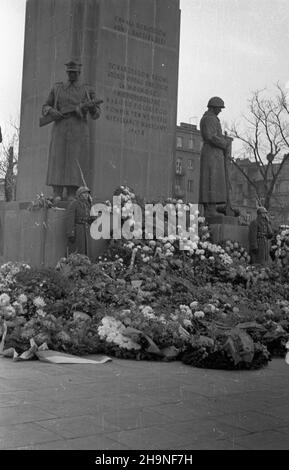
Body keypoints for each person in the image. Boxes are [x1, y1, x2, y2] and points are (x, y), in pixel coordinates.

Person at [42, 60, 101, 201]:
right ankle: (56, 191)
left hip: (78, 130)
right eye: (69, 72)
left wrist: (91, 107)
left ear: (79, 73)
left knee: (74, 161)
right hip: (60, 128)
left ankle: (71, 192)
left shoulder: (87, 90)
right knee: (58, 160)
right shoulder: (57, 88)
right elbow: (45, 106)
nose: (72, 75)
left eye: (74, 73)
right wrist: (51, 111)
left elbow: (96, 114)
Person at [199, 96, 231, 217]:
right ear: (213, 107)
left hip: (215, 154)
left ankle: (213, 207)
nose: (220, 111)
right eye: (219, 108)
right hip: (211, 153)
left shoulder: (212, 118)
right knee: (211, 179)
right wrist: (224, 143)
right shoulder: (209, 119)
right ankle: (210, 209)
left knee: (214, 180)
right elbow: (210, 136)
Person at [66, 186, 93, 256]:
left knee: (85, 249)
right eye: (84, 193)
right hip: (78, 229)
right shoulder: (74, 204)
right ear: (79, 195)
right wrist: (71, 233)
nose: (86, 195)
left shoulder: (87, 205)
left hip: (85, 230)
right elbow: (70, 219)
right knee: (78, 250)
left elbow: (89, 217)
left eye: (87, 193)